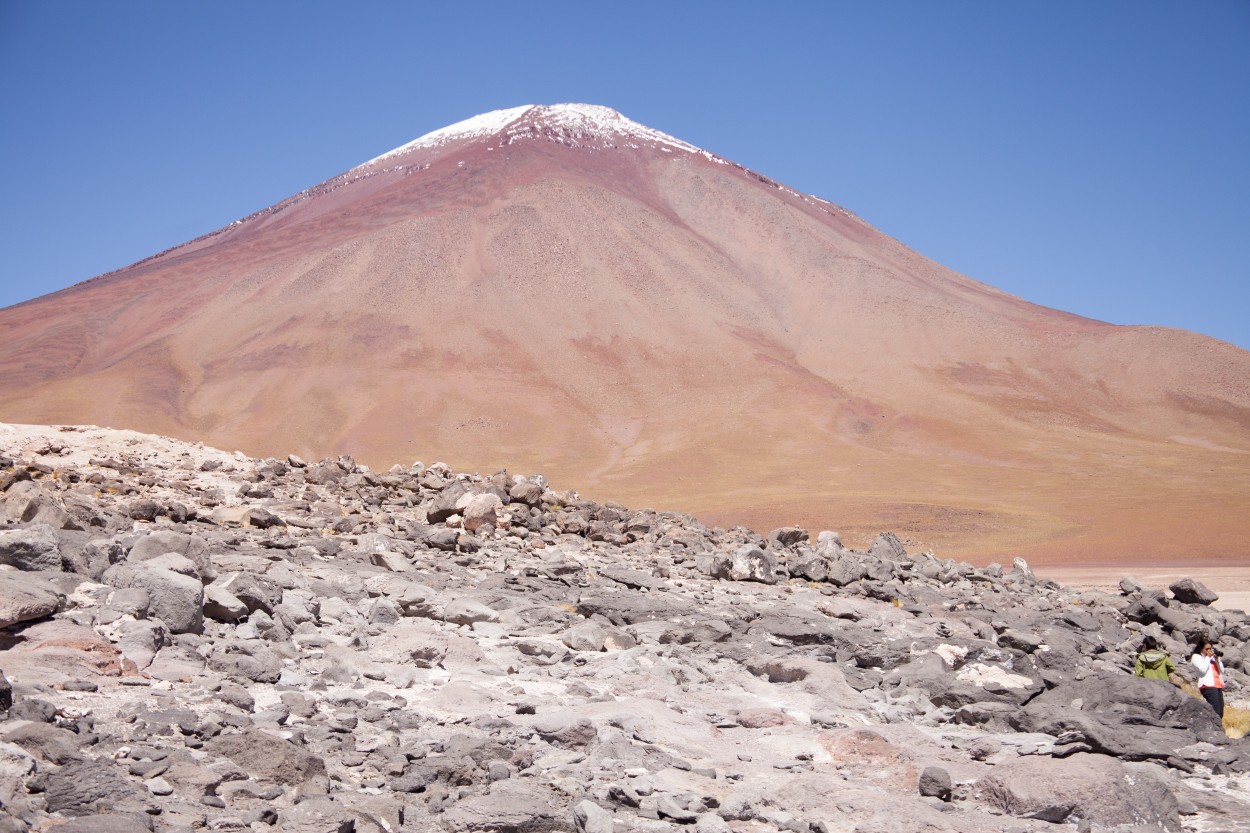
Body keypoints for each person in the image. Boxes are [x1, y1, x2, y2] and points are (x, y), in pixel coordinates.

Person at [1191, 639, 1225, 718]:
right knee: (1216, 710)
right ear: (1200, 649)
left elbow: (1222, 671)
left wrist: (1217, 659)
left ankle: (1217, 728)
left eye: (1210, 649)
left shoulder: (1212, 658)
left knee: (1221, 711)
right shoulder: (1196, 657)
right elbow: (1203, 670)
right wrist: (1208, 657)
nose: (1209, 651)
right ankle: (1215, 729)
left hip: (1217, 685)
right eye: (1207, 649)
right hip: (1207, 685)